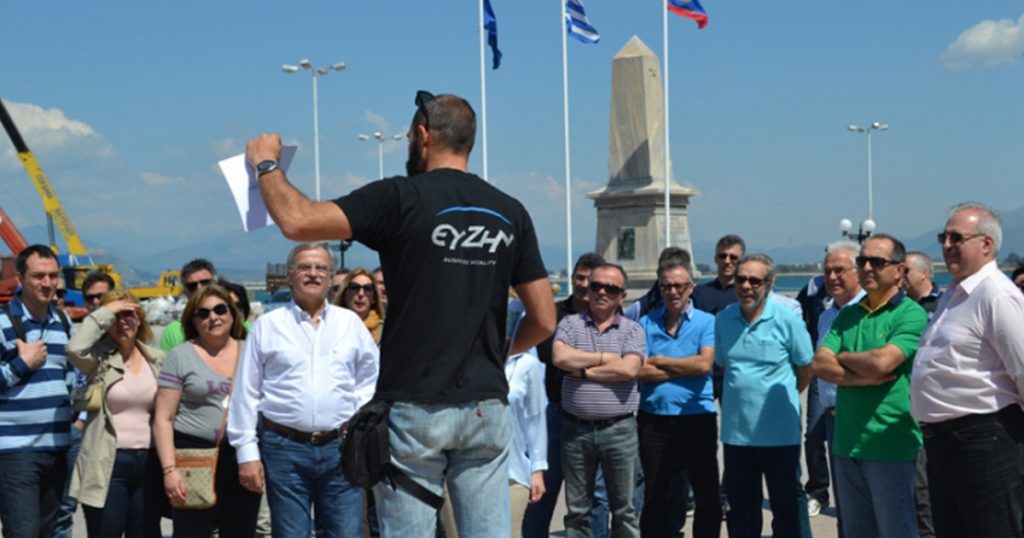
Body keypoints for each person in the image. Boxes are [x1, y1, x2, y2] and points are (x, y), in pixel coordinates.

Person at [246, 90, 555, 538]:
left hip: (414, 405)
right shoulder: (510, 212)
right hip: (486, 407)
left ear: (424, 136)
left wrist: (266, 165)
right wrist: (494, 351)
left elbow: (298, 221)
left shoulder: (400, 197)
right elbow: (544, 319)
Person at [229, 243, 379, 538]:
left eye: (321, 268)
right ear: (289, 276)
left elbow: (371, 378)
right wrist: (246, 452)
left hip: (341, 447)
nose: (313, 273)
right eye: (304, 267)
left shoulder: (350, 324)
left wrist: (355, 415)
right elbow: (246, 392)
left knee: (346, 533)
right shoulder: (268, 326)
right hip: (283, 449)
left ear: (331, 276)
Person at [912, 202, 1024, 538]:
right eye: (943, 237)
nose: (946, 246)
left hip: (985, 442)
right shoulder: (956, 294)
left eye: (956, 238)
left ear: (986, 244)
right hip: (944, 444)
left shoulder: (996, 296)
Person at [811, 234, 927, 538]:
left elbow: (882, 363)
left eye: (877, 262)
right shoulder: (848, 314)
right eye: (862, 261)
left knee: (896, 530)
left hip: (891, 443)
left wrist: (843, 357)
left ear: (899, 270)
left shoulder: (910, 313)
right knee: (855, 532)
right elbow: (820, 364)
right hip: (846, 442)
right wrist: (860, 377)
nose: (867, 268)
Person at [715, 254, 812, 538]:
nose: (746, 286)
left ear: (768, 285)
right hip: (737, 436)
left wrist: (788, 397)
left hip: (780, 434)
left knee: (785, 511)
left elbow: (805, 367)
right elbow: (723, 363)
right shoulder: (723, 320)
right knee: (742, 513)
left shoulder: (787, 320)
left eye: (754, 281)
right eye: (741, 279)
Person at [154, 285, 260, 537]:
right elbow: (163, 418)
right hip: (193, 457)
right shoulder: (180, 356)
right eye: (203, 313)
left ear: (233, 314)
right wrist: (170, 471)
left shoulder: (251, 352)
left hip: (240, 456)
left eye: (220, 309)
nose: (213, 317)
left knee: (241, 532)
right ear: (193, 320)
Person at [522, 252, 612, 538]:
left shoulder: (610, 317)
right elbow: (551, 355)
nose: (585, 285)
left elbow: (621, 360)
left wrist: (576, 358)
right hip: (557, 412)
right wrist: (597, 357)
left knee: (597, 495)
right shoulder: (553, 314)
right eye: (580, 278)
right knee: (543, 489)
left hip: (597, 415)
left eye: (591, 279)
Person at [553, 264, 645, 538]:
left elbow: (628, 369)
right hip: (575, 430)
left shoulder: (632, 330)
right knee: (577, 510)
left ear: (622, 296)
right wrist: (605, 358)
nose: (602, 292)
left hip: (619, 430)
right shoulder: (570, 324)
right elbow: (560, 358)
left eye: (611, 288)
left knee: (624, 510)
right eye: (596, 286)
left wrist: (581, 370)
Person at [442, 303, 547, 538]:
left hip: (512, 472)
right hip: (457, 470)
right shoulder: (456, 361)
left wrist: (537, 469)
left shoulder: (527, 365)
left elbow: (535, 420)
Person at [66, 289, 165, 537]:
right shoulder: (98, 359)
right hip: (108, 461)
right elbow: (74, 349)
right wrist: (105, 312)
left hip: (149, 460)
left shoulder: (157, 360)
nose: (122, 322)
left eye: (129, 315)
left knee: (146, 532)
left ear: (140, 317)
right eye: (116, 317)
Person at [637, 258, 721, 538]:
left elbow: (704, 365)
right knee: (655, 492)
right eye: (666, 286)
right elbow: (640, 370)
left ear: (690, 288)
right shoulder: (646, 323)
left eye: (679, 286)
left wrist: (661, 360)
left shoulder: (707, 322)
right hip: (654, 420)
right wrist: (684, 366)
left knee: (705, 491)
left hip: (696, 417)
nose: (672, 291)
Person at [0, 245, 75, 537]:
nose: (47, 283)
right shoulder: (4, 321)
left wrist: (78, 415)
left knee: (49, 532)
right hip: (15, 452)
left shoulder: (64, 323)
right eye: (38, 276)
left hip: (57, 447)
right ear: (20, 278)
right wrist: (22, 364)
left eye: (53, 276)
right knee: (23, 532)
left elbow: (71, 378)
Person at [56, 270, 116, 538]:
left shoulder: (129, 336)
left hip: (119, 435)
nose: (95, 303)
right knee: (71, 506)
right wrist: (79, 419)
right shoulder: (81, 336)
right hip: (82, 426)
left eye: (101, 298)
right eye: (90, 298)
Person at [159, 258, 217, 352]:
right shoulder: (173, 331)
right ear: (185, 291)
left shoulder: (236, 323)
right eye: (192, 286)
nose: (200, 288)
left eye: (205, 283)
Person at [333, 267, 385, 343]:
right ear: (344, 294)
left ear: (374, 298)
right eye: (355, 287)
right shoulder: (331, 327)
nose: (361, 294)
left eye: (367, 288)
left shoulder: (385, 331)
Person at [903, 251, 942, 315]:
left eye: (906, 271)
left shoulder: (944, 302)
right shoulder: (898, 302)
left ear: (924, 273)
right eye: (899, 270)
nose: (901, 275)